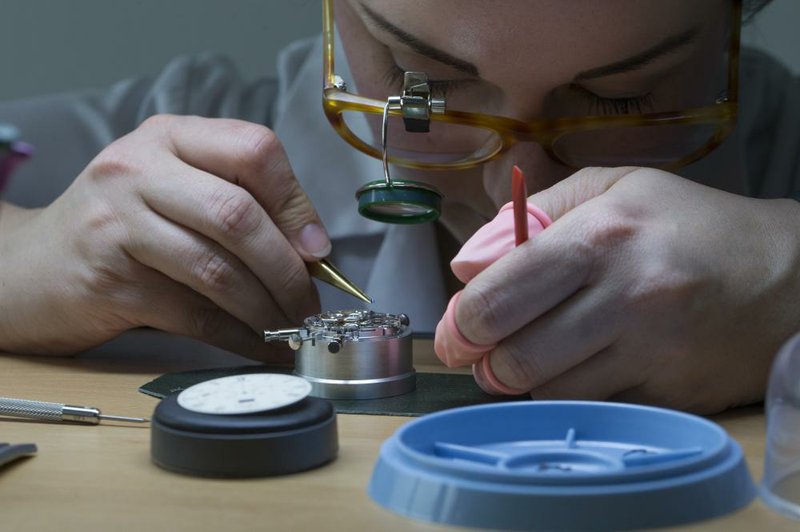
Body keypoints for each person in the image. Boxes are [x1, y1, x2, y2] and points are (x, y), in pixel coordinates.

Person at [0, 0, 797, 414]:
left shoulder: (781, 152)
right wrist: (24, 253)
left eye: (626, 98)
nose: (509, 187)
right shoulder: (197, 123)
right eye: (426, 86)